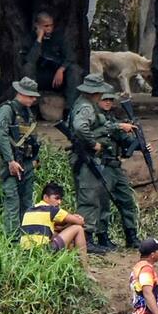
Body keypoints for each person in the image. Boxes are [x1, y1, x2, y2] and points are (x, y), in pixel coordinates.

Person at [67, 75, 114, 255]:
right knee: (88, 197)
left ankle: (88, 238)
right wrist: (93, 143)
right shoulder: (86, 107)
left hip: (83, 157)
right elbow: (80, 127)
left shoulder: (82, 103)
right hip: (84, 157)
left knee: (91, 195)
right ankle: (85, 239)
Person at [0, 76, 42, 239]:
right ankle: (13, 241)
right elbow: (2, 136)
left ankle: (26, 239)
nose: (34, 99)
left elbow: (33, 138)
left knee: (27, 203)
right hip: (12, 164)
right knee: (12, 202)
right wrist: (10, 161)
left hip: (27, 163)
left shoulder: (28, 112)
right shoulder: (7, 110)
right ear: (20, 93)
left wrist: (35, 158)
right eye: (30, 96)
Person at [95, 89, 142, 250]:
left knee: (127, 200)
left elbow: (123, 139)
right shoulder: (95, 118)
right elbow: (103, 129)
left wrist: (139, 144)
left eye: (110, 99)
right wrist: (120, 126)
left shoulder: (111, 118)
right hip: (102, 165)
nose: (108, 102)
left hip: (115, 165)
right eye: (104, 99)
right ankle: (102, 237)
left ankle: (131, 236)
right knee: (103, 203)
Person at [20, 10, 82, 115]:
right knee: (27, 68)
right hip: (39, 77)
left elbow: (71, 56)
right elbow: (30, 60)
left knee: (75, 70)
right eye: (46, 26)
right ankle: (32, 108)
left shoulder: (59, 37)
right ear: (37, 25)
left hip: (57, 77)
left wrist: (61, 69)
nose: (49, 29)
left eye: (51, 25)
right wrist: (39, 39)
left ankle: (70, 110)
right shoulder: (30, 39)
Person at [19, 181, 88, 262]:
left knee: (56, 232)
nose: (59, 202)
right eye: (56, 198)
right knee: (78, 228)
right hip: (42, 252)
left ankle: (68, 263)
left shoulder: (29, 210)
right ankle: (85, 267)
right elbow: (80, 222)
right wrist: (76, 218)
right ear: (45, 197)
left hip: (26, 254)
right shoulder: (52, 210)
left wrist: (64, 226)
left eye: (60, 199)